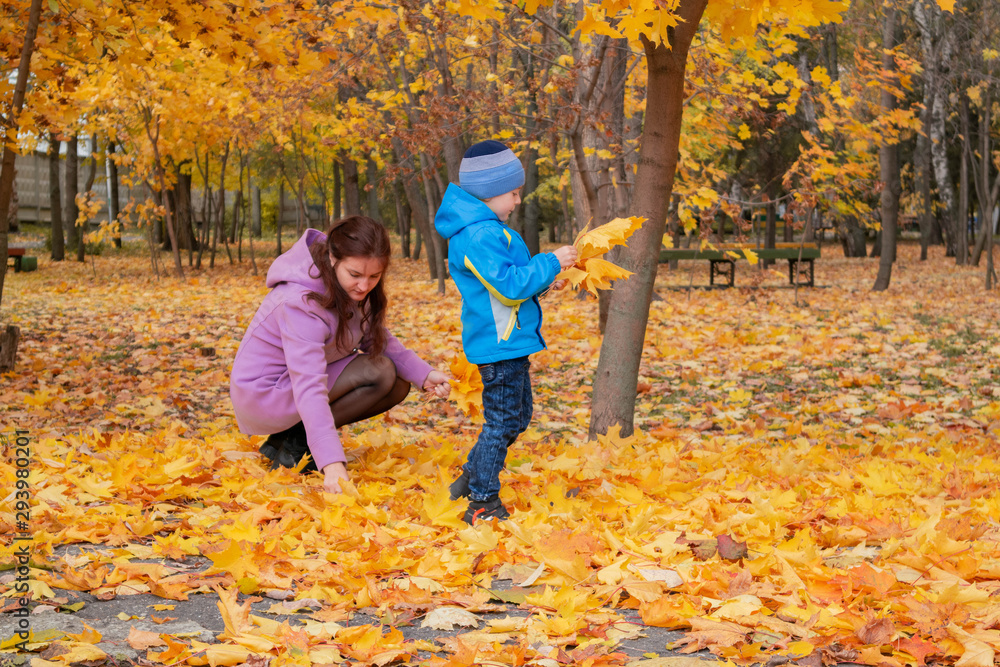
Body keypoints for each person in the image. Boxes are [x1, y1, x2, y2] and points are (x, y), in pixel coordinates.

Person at [230, 216, 451, 493]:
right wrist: (333, 463)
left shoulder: (346, 287)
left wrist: (425, 374)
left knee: (396, 382)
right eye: (355, 275)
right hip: (265, 393)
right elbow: (309, 384)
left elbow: (377, 339)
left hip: (294, 386)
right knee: (378, 371)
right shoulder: (300, 301)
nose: (364, 285)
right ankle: (300, 445)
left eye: (375, 276)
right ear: (333, 258)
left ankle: (289, 441)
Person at [434, 140, 578, 523]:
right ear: (489, 191)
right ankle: (482, 501)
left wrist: (546, 282)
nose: (517, 201)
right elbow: (510, 285)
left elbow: (509, 287)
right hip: (499, 347)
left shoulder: (489, 231)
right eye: (513, 193)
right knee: (502, 422)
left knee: (517, 417)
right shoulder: (479, 235)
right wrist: (550, 262)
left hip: (510, 344)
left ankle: (473, 472)